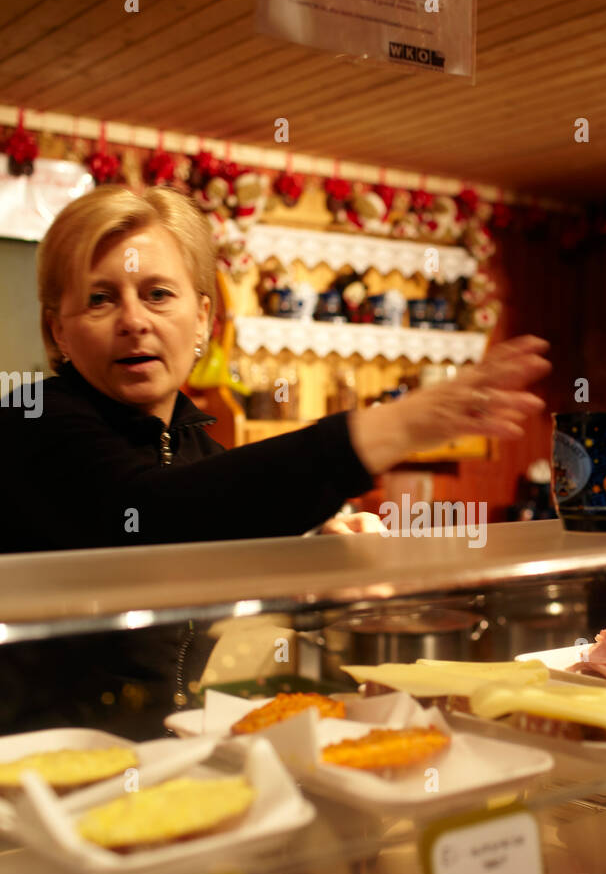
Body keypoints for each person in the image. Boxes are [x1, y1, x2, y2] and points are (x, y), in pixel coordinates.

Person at [0, 186, 550, 736]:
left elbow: (219, 524)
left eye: (158, 293)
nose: (133, 320)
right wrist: (393, 427)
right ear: (58, 331)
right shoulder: (31, 419)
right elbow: (151, 515)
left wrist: (320, 546)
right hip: (31, 769)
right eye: (100, 298)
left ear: (202, 319)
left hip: (156, 748)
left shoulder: (196, 451)